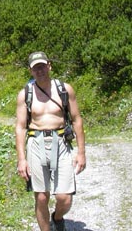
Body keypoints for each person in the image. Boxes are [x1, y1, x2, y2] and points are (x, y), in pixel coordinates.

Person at [15, 51, 86, 231]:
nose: (40, 71)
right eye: (35, 68)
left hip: (61, 142)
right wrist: (21, 159)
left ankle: (57, 217)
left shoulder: (64, 89)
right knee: (41, 197)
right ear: (30, 71)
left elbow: (77, 119)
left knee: (65, 197)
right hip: (36, 143)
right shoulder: (25, 94)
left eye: (42, 66)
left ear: (49, 66)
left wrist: (81, 152)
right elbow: (21, 127)